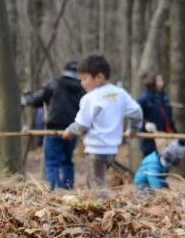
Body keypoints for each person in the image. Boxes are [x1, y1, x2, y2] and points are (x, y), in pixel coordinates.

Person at [61, 54, 142, 190]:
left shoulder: (90, 98)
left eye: (85, 78)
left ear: (99, 77)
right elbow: (137, 113)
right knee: (99, 183)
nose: (82, 83)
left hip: (96, 150)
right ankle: (103, 207)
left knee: (95, 188)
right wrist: (133, 130)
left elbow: (82, 126)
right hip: (111, 151)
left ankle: (104, 208)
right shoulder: (119, 94)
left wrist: (69, 131)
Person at [23, 60, 85, 190]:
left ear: (64, 70)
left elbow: (35, 101)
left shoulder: (54, 84)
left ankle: (53, 189)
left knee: (52, 161)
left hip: (53, 129)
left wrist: (28, 96)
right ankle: (67, 188)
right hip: (73, 129)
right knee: (67, 160)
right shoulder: (82, 88)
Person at [137, 73, 177, 157]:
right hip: (150, 142)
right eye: (158, 80)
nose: (161, 82)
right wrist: (145, 125)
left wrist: (175, 133)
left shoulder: (164, 98)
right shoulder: (144, 99)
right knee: (152, 166)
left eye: (161, 80)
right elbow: (136, 117)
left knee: (164, 167)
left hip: (166, 139)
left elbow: (169, 119)